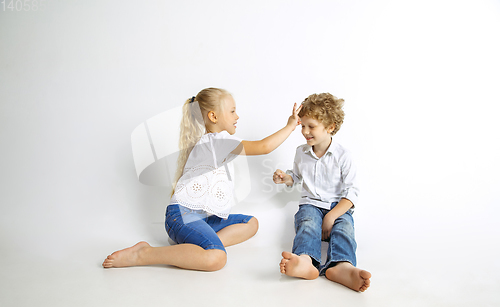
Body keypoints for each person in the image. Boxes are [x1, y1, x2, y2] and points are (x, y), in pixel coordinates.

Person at [103, 87, 301, 271]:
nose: (237, 116)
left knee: (251, 223)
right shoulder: (217, 141)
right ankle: (144, 254)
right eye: (232, 111)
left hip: (204, 218)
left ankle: (198, 246)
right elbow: (264, 147)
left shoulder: (216, 142)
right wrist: (290, 126)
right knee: (217, 258)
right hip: (182, 216)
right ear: (213, 116)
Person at [273, 93, 371, 292]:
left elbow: (352, 192)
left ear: (330, 127)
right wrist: (286, 178)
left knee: (344, 230)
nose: (305, 131)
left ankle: (341, 266)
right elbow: (298, 177)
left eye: (311, 127)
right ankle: (305, 261)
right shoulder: (301, 152)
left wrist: (332, 216)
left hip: (338, 206)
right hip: (311, 204)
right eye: (302, 125)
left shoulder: (343, 155)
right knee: (307, 224)